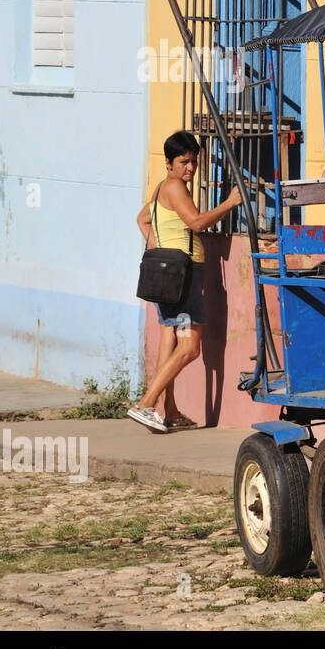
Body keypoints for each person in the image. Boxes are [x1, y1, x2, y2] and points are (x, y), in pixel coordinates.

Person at [130, 130, 241, 432]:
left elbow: (142, 218)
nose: (190, 168)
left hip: (169, 277)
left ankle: (170, 411)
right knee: (190, 349)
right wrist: (231, 202)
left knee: (171, 345)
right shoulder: (176, 186)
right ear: (168, 163)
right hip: (185, 277)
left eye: (193, 162)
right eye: (183, 162)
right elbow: (196, 222)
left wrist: (158, 246)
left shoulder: (161, 189)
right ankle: (146, 403)